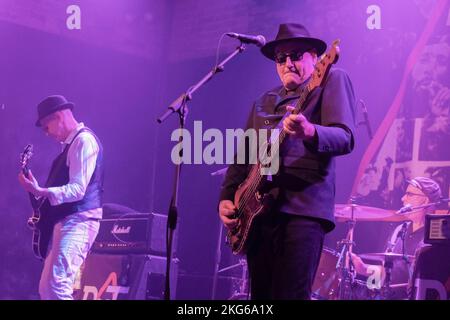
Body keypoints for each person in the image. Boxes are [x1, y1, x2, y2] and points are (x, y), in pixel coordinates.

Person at [218, 23, 356, 299]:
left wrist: (310, 131)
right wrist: (226, 196)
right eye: (281, 58)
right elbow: (243, 155)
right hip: (259, 215)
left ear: (315, 58)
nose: (288, 63)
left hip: (303, 211)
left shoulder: (330, 80)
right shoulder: (264, 101)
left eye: (296, 55)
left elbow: (345, 137)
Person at [18, 95, 104, 300]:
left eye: (46, 127)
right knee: (48, 288)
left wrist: (41, 191)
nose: (47, 134)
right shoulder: (71, 145)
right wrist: (39, 192)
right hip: (70, 221)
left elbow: (77, 190)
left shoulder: (83, 141)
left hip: (79, 220)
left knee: (56, 286)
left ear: (58, 117)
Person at [351, 176, 442, 299]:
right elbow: (386, 275)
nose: (403, 198)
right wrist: (363, 269)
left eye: (409, 194)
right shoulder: (399, 231)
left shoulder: (436, 236)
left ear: (425, 201)